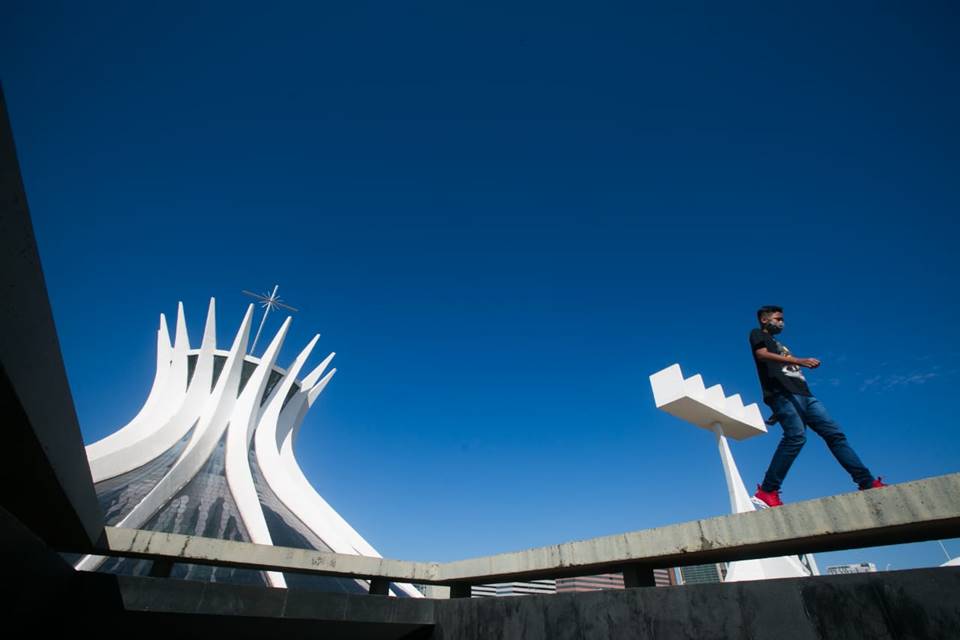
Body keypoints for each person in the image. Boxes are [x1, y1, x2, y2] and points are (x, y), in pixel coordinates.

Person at [749, 305, 885, 508]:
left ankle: (867, 482)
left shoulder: (780, 343)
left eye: (782, 319)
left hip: (804, 396)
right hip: (784, 395)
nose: (782, 323)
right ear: (765, 320)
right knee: (796, 437)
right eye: (778, 319)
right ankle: (767, 491)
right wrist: (799, 360)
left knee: (835, 435)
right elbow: (761, 355)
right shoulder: (757, 334)